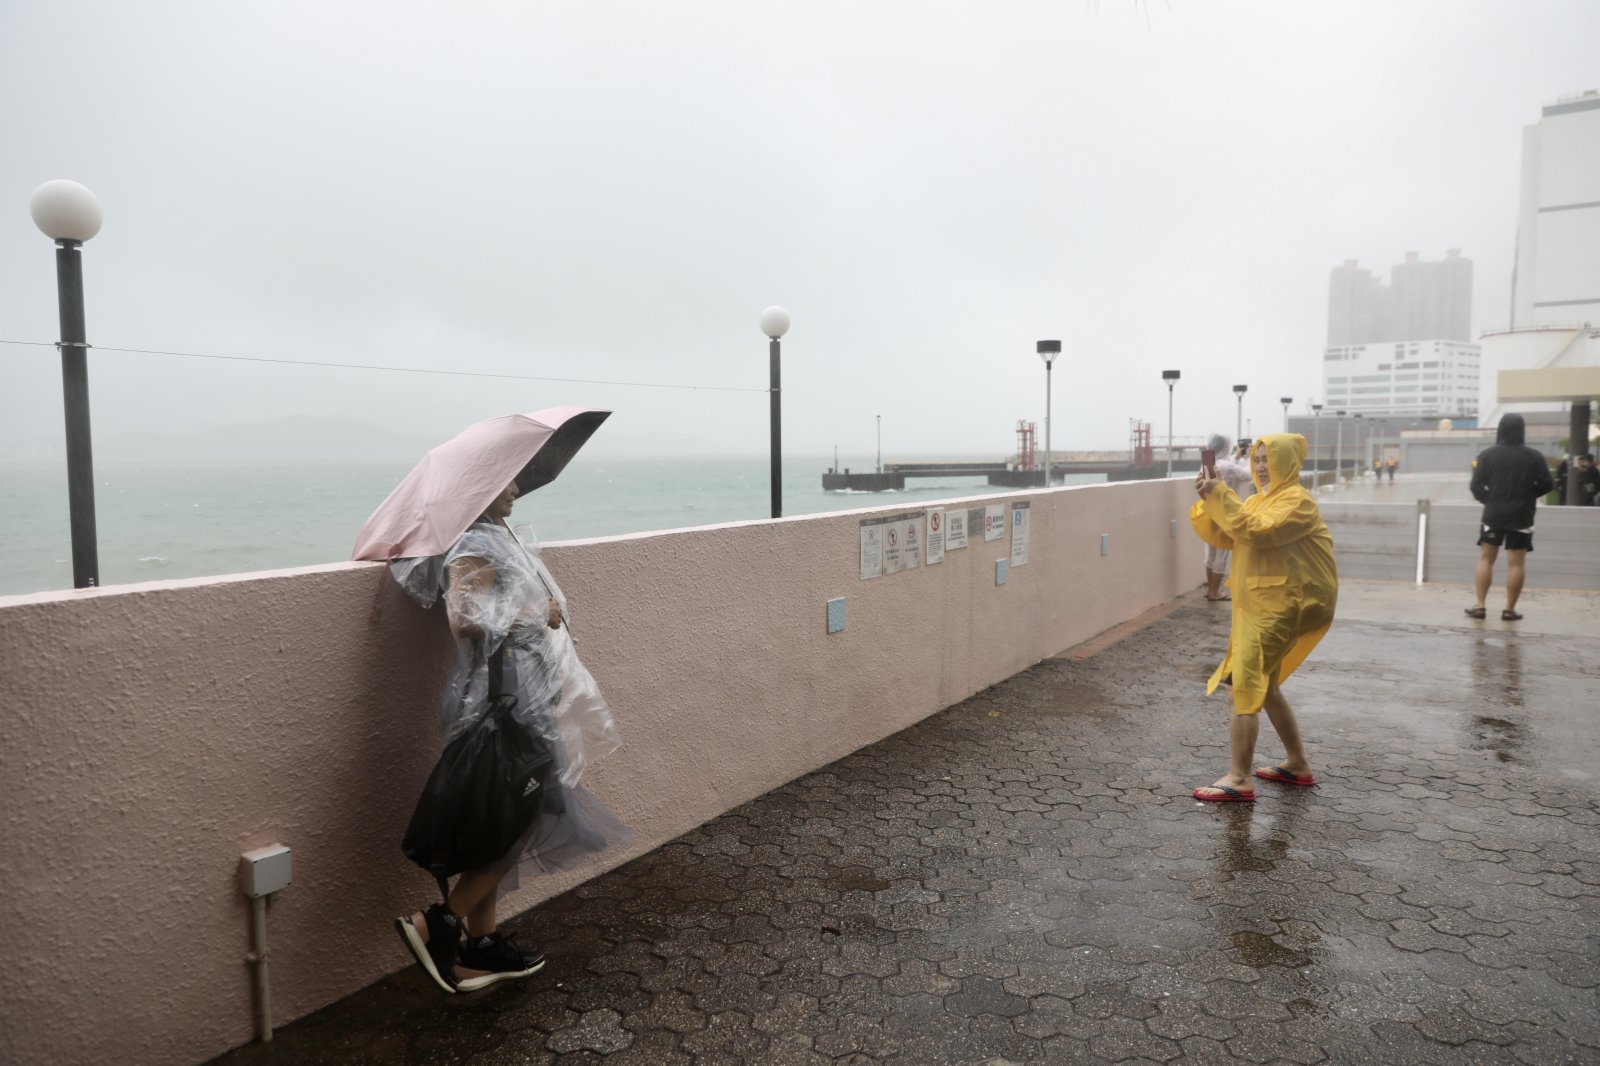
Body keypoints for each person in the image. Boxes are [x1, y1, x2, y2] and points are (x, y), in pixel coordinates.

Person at [390, 479, 628, 992]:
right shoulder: (474, 542)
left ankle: (481, 947)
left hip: (519, 702)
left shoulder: (494, 536)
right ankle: (439, 923)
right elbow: (465, 618)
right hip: (503, 708)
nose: (517, 487)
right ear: (479, 485)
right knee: (519, 817)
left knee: (498, 821)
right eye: (507, 480)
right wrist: (538, 612)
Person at [1188, 434, 1337, 802]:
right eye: (1256, 460)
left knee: (1240, 683)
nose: (1261, 467)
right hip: (1263, 606)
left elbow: (1256, 531)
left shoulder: (1297, 502)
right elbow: (1230, 534)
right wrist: (1210, 498)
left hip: (1285, 605)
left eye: (1269, 460)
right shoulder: (1258, 500)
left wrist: (1222, 496)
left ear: (1288, 463)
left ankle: (1239, 779)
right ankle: (1297, 764)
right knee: (1265, 686)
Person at [1467, 413, 1553, 622]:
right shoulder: (1534, 456)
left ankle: (1480, 606)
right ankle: (1509, 610)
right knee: (1516, 564)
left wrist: (1490, 500)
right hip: (1521, 515)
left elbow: (1476, 485)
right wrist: (1527, 495)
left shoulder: (1487, 455)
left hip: (1494, 514)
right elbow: (1547, 484)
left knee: (1486, 558)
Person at [1201, 433, 1254, 601]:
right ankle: (1215, 592)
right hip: (1226, 512)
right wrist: (1251, 457)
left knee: (1210, 553)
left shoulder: (1207, 463)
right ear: (1226, 447)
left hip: (1210, 511)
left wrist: (1236, 457)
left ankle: (1210, 589)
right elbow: (1248, 475)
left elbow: (1225, 467)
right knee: (1222, 554)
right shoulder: (1228, 467)